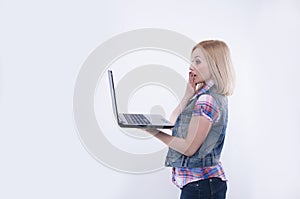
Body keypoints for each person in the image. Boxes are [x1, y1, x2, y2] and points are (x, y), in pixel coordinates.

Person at [142, 40, 235, 199]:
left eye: (197, 61)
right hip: (203, 184)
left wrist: (150, 130)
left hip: (202, 185)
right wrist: (187, 95)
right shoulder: (204, 96)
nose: (191, 66)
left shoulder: (207, 100)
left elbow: (189, 148)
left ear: (214, 65)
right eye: (191, 60)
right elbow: (173, 124)